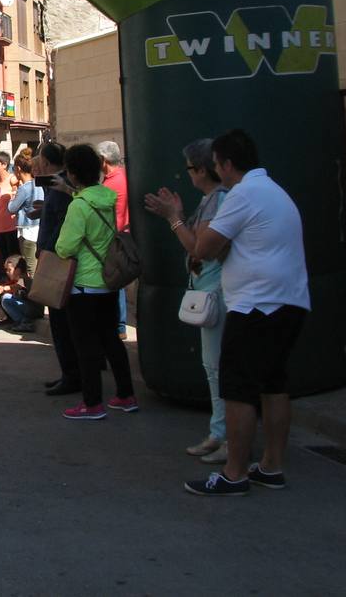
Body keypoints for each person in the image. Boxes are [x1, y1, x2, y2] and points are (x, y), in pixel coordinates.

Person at [158, 130, 310, 497]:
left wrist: (175, 219)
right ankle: (271, 466)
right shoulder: (273, 190)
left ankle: (234, 473)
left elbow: (204, 249)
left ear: (226, 164)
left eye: (213, 166)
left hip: (256, 305)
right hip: (288, 301)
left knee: (238, 390)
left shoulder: (242, 195)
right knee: (273, 385)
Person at [145, 139, 229, 464]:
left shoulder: (217, 201)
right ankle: (218, 432)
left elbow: (198, 247)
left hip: (214, 291)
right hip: (210, 288)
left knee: (217, 368)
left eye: (190, 169)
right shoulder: (213, 200)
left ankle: (224, 435)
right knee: (213, 367)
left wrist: (173, 217)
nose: (188, 175)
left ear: (202, 170)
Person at [54, 143, 138, 420]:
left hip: (83, 285)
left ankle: (92, 403)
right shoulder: (106, 197)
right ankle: (125, 395)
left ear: (73, 174)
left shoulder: (79, 205)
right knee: (111, 340)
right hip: (107, 280)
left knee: (86, 346)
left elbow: (65, 248)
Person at [35, 142, 81, 397]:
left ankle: (72, 375)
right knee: (59, 322)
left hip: (58, 258)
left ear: (47, 161)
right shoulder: (56, 184)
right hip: (53, 253)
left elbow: (64, 221)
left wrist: (48, 250)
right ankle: (68, 373)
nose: (37, 163)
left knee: (61, 322)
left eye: (40, 159)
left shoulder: (62, 186)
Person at [97, 141, 130, 339]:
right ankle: (119, 326)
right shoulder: (121, 177)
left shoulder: (113, 182)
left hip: (112, 240)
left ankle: (118, 326)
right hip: (119, 237)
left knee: (113, 283)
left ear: (103, 160)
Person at [7, 153, 43, 278]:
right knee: (37, 263)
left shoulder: (24, 189)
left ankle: (33, 293)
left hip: (27, 230)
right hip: (39, 227)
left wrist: (13, 193)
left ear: (18, 169)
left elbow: (11, 208)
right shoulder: (39, 184)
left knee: (29, 265)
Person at [0, 151, 18, 266]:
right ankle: (8, 280)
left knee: (14, 259)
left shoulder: (12, 179)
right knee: (3, 259)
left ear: (4, 165)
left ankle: (17, 282)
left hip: (11, 227)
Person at [0, 255, 38, 332]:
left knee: (6, 298)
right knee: (3, 296)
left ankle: (25, 322)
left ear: (18, 270)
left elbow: (16, 286)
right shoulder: (17, 279)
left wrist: (4, 288)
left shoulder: (24, 278)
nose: (7, 272)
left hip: (34, 309)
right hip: (27, 307)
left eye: (9, 270)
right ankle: (13, 320)